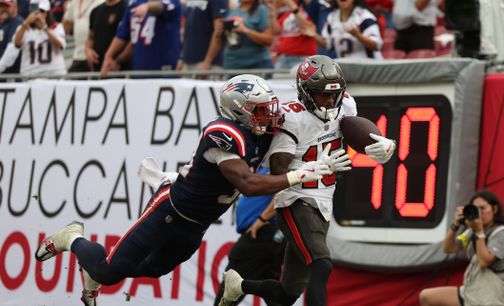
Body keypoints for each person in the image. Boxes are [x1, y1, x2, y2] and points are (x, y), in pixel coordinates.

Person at [35, 74, 344, 306]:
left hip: (197, 224)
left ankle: (93, 267)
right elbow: (248, 184)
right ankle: (72, 238)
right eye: (261, 110)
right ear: (239, 111)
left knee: (154, 270)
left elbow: (293, 143)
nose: (270, 115)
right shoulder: (223, 133)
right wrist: (299, 175)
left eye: (269, 107)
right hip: (169, 210)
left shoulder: (261, 131)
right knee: (110, 272)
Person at [219, 55, 396, 306]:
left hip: (324, 201)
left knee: (287, 294)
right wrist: (313, 167)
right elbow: (278, 170)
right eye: (321, 94)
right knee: (321, 263)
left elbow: (352, 136)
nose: (329, 100)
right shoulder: (292, 117)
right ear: (304, 91)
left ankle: (239, 286)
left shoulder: (345, 105)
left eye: (333, 94)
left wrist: (380, 147)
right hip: (296, 200)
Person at [419, 190, 504, 306]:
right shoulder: (471, 231)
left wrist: (479, 232)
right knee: (426, 297)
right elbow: (449, 248)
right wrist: (455, 225)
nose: (479, 213)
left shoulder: (502, 233)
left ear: (494, 209)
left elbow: (484, 262)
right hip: (472, 292)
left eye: (483, 208)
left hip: (492, 297)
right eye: (476, 209)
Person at [213, 167, 285, 306]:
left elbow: (283, 194)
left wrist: (262, 220)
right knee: (273, 291)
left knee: (230, 286)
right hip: (267, 235)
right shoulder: (260, 167)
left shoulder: (276, 164)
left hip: (262, 232)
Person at [100, 0, 182, 76]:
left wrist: (148, 7)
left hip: (163, 69)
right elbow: (122, 34)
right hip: (139, 69)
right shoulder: (134, 3)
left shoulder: (172, 2)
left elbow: (161, 7)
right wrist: (109, 55)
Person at [0, 0, 66, 76]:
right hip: (31, 75)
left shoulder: (56, 27)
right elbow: (16, 44)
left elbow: (60, 46)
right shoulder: (24, 29)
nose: (37, 15)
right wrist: (25, 24)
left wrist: (45, 28)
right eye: (35, 11)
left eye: (41, 11)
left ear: (47, 12)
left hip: (54, 74)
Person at [304, 0, 383, 59]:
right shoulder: (332, 16)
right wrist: (313, 35)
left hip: (367, 68)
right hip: (346, 69)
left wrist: (358, 36)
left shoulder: (365, 16)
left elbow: (377, 45)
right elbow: (328, 44)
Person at [221, 0, 274, 73]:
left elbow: (268, 40)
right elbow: (222, 40)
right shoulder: (232, 11)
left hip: (256, 65)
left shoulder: (261, 9)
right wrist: (220, 32)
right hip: (231, 65)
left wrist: (245, 30)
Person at [266, 0, 318, 70]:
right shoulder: (288, 13)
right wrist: (272, 13)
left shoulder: (310, 11)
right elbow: (275, 31)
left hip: (302, 58)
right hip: (283, 58)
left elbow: (307, 28)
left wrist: (293, 7)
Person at [178, 0, 228, 73]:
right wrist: (182, 58)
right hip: (188, 62)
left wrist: (207, 62)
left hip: (208, 65)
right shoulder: (190, 2)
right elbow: (187, 30)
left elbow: (220, 31)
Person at [62, 0, 103, 72]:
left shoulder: (101, 2)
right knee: (70, 81)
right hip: (78, 55)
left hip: (95, 55)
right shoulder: (74, 3)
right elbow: (65, 26)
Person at [85, 0, 126, 71]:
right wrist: (88, 51)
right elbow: (91, 38)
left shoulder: (126, 8)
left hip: (119, 68)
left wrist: (119, 60)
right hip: (98, 67)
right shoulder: (95, 11)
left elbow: (131, 40)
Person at [0, 0, 23, 74]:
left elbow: (11, 49)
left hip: (12, 74)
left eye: (7, 6)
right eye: (1, 6)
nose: (3, 9)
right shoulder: (3, 24)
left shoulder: (17, 23)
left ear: (15, 7)